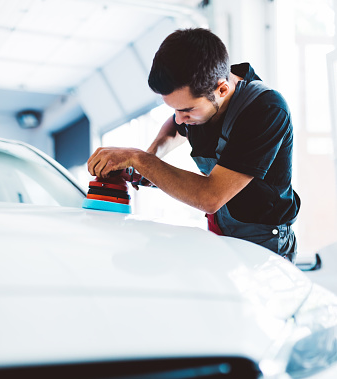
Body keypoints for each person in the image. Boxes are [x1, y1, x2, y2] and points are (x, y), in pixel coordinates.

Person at [87, 28, 300, 262]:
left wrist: (140, 159)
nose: (179, 118)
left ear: (222, 89)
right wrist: (152, 157)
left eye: (186, 110)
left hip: (264, 244)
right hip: (223, 233)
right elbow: (174, 127)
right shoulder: (200, 103)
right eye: (174, 109)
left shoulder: (265, 110)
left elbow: (210, 197)